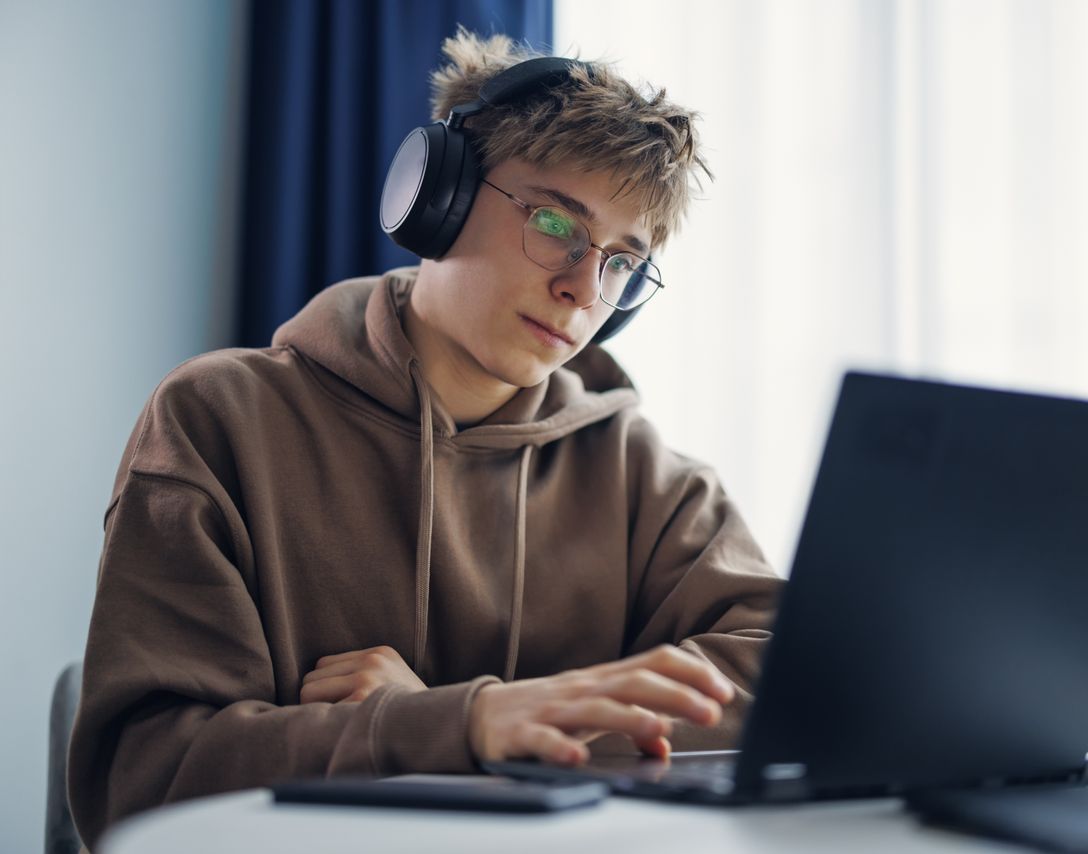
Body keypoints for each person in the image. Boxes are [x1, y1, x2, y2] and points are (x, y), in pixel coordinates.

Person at [68, 28, 782, 850]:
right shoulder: (218, 421)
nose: (585, 289)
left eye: (623, 262)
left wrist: (468, 724)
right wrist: (465, 726)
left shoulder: (643, 473)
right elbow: (142, 779)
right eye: (557, 223)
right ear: (433, 197)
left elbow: (793, 684)